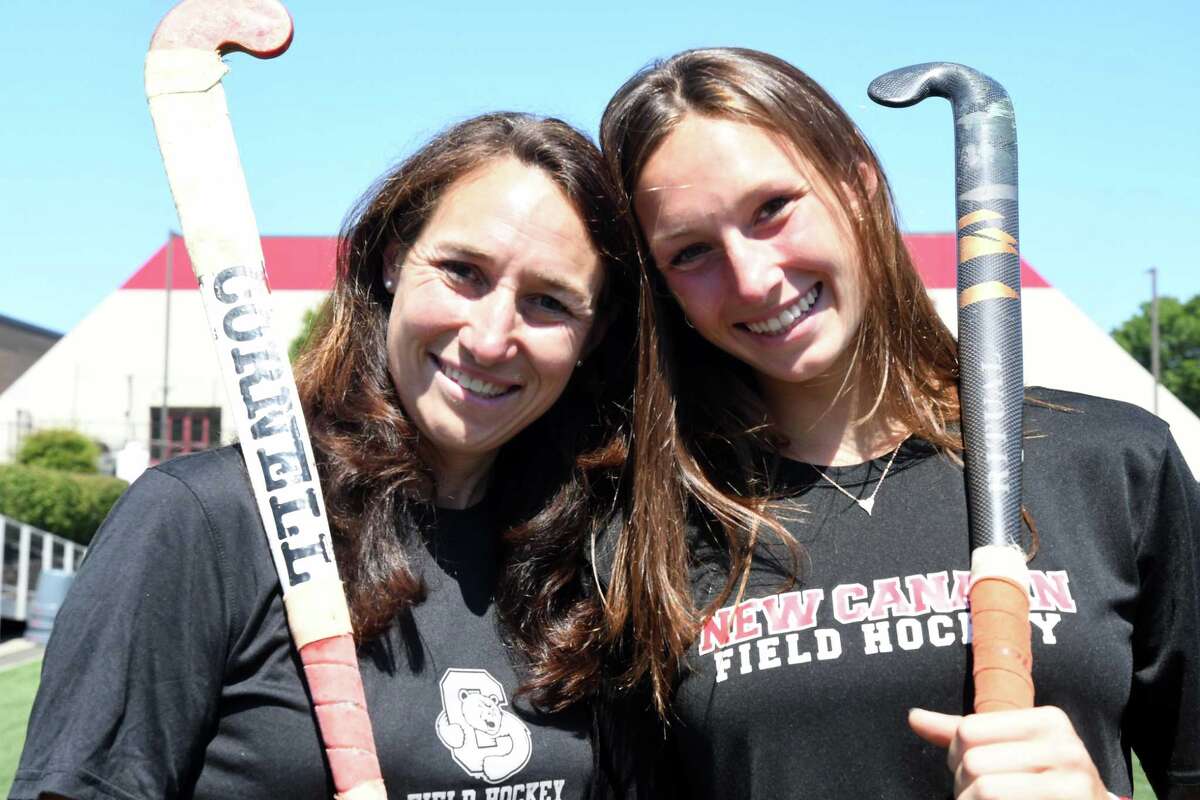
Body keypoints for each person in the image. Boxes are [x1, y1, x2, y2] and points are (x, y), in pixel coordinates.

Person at [597, 48, 1200, 800]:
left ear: (858, 181)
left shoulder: (1111, 463)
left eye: (773, 209)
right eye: (691, 253)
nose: (753, 278)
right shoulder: (640, 537)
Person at [11, 113, 638, 800]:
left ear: (595, 331)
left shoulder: (593, 555)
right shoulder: (207, 521)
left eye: (549, 302)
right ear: (395, 259)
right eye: (463, 272)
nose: (491, 339)